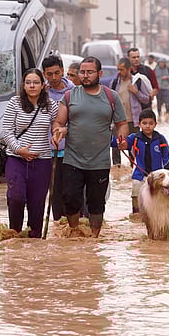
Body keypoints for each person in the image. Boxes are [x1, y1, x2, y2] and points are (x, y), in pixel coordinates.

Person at [51, 56, 128, 238]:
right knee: (70, 199)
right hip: (73, 159)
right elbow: (59, 121)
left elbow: (122, 123)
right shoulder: (70, 96)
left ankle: (94, 239)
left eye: (89, 72)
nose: (85, 76)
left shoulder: (111, 97)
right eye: (82, 72)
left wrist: (122, 138)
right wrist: (58, 131)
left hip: (99, 161)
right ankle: (75, 231)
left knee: (96, 204)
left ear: (99, 74)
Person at [2, 68, 58, 238]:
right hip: (16, 159)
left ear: (43, 85)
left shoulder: (51, 105)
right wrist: (19, 150)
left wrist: (56, 134)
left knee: (37, 204)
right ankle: (15, 235)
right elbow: (6, 132)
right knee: (16, 197)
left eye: (35, 82)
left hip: (42, 162)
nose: (32, 86)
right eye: (28, 83)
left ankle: (34, 241)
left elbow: (58, 125)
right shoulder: (15, 103)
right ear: (23, 85)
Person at [122, 108, 169, 218]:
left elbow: (167, 156)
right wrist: (120, 143)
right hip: (140, 174)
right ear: (139, 124)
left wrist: (167, 172)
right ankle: (136, 214)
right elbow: (123, 144)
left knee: (161, 196)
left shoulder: (160, 139)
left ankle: (161, 215)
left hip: (157, 176)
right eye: (144, 123)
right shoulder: (134, 138)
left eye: (150, 123)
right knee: (136, 191)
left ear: (155, 124)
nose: (147, 126)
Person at [42, 55, 75, 221]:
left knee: (72, 193)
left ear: (62, 71)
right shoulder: (41, 94)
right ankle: (58, 228)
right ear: (44, 74)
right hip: (49, 152)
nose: (53, 78)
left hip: (72, 151)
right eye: (49, 74)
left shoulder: (74, 92)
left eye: (56, 73)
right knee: (54, 194)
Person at [111, 56, 149, 148]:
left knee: (134, 147)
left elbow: (146, 99)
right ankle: (117, 163)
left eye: (122, 69)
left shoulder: (137, 82)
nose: (119, 72)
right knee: (116, 146)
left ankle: (133, 163)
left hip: (133, 121)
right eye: (118, 69)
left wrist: (136, 92)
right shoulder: (115, 83)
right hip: (118, 120)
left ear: (129, 69)